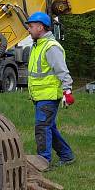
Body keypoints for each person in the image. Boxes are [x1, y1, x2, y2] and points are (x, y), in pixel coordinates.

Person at [26, 11, 75, 167]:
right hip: (40, 96)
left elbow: (62, 70)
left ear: (40, 27)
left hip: (48, 96)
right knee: (49, 127)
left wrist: (67, 91)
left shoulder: (51, 47)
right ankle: (67, 156)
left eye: (31, 26)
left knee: (42, 127)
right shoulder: (37, 46)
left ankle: (43, 161)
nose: (29, 30)